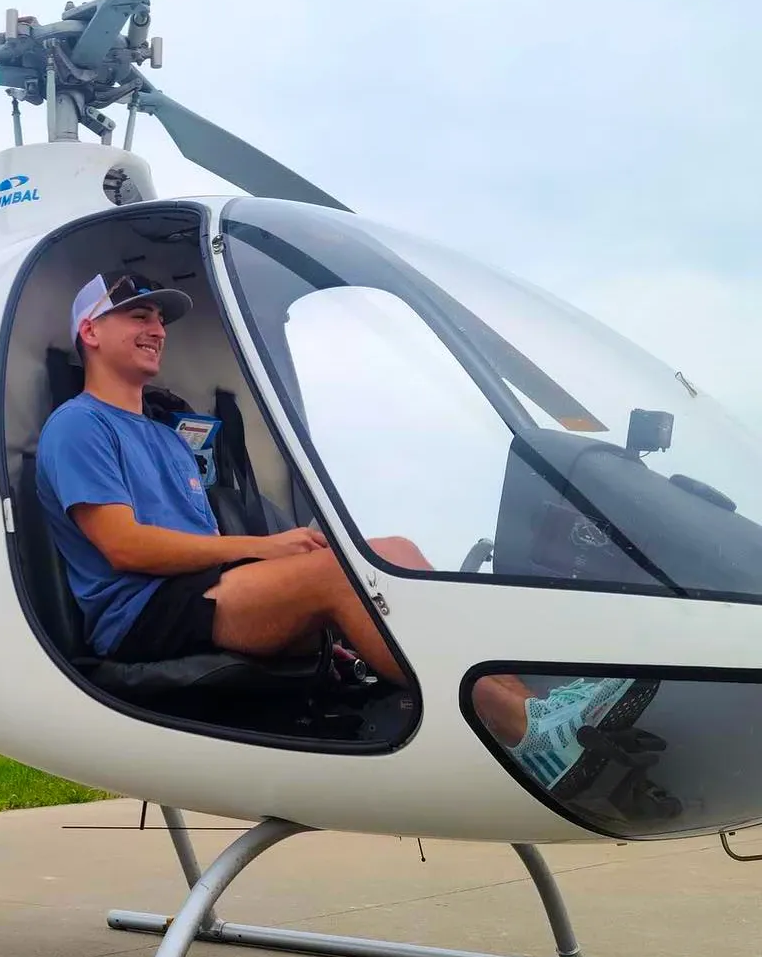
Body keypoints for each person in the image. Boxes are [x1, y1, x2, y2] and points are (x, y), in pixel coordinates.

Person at [34, 269, 649, 789]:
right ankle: (520, 731)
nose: (156, 329)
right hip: (139, 617)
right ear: (90, 331)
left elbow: (203, 555)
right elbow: (123, 546)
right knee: (338, 574)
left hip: (199, 593)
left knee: (392, 553)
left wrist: (285, 553)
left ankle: (534, 712)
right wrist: (264, 550)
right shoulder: (79, 426)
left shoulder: (167, 438)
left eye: (160, 319)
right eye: (135, 315)